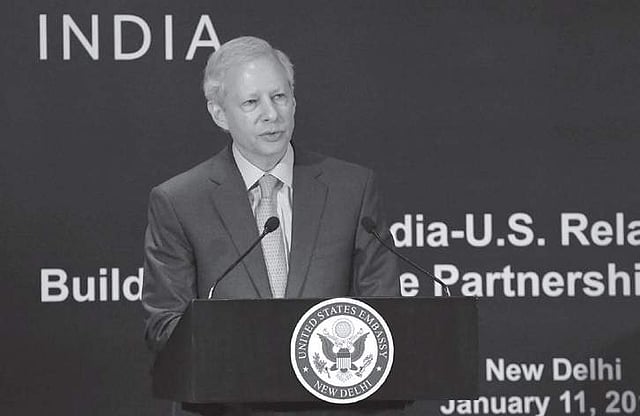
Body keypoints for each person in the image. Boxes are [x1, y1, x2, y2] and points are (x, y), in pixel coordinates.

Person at [142, 36, 401, 415]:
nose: (271, 114)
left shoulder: (352, 189)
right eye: (251, 102)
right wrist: (250, 349)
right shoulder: (180, 201)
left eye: (279, 97)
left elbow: (384, 314)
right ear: (219, 114)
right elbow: (165, 327)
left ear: (294, 101)